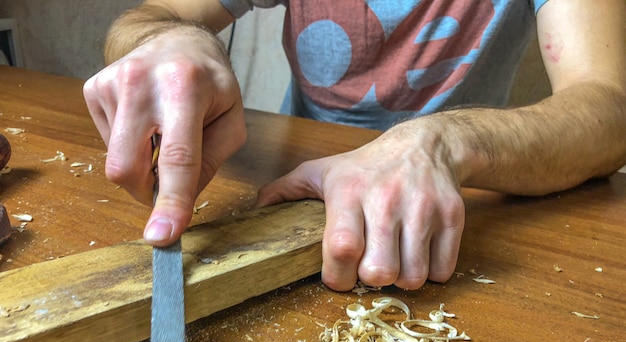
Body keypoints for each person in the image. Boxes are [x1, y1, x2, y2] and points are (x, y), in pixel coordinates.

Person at [83, 0, 626, 292]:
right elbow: (152, 16)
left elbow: (608, 108)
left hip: (462, 198)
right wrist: (173, 40)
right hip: (301, 189)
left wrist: (440, 139)